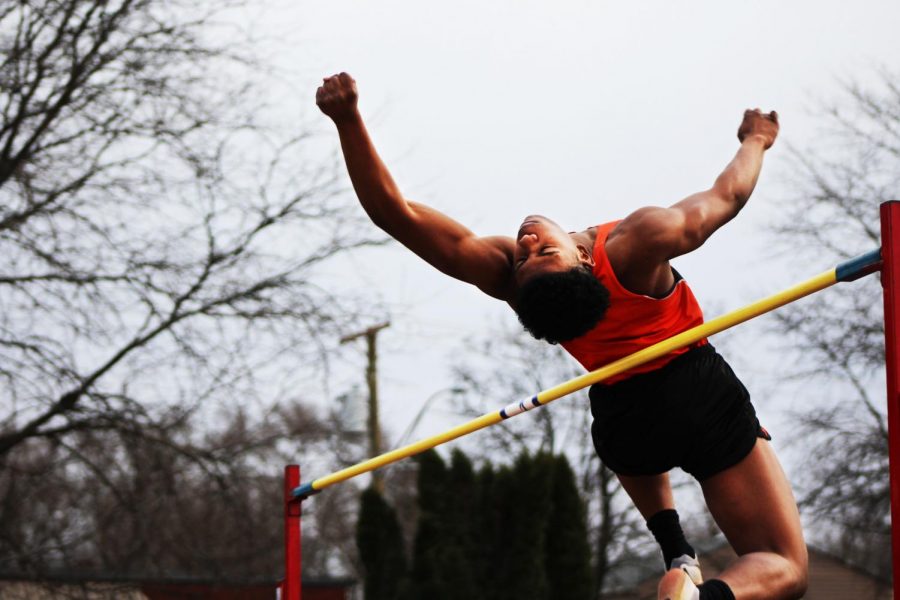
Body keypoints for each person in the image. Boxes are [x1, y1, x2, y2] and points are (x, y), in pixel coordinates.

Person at [316, 72, 808, 600]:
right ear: (582, 259)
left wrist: (347, 123)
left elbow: (399, 215)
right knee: (782, 563)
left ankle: (679, 558)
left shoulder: (507, 277)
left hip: (623, 421)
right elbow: (727, 196)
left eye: (530, 252)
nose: (526, 242)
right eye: (537, 253)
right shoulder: (640, 243)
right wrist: (756, 139)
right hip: (698, 394)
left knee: (622, 397)